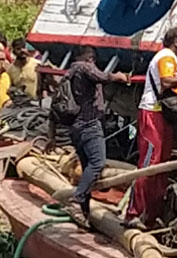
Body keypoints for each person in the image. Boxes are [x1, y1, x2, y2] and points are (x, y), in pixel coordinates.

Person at [47, 46, 129, 226]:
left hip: (76, 129)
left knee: (87, 171)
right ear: (90, 58)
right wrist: (118, 76)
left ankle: (84, 215)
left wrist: (51, 136)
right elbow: (102, 77)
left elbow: (53, 108)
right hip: (90, 125)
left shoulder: (67, 76)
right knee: (97, 163)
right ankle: (77, 201)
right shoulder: (84, 66)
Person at [126, 26, 177, 228]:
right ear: (175, 41)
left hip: (163, 115)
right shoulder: (166, 57)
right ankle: (133, 214)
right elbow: (166, 82)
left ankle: (151, 215)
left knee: (162, 165)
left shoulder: (172, 60)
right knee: (149, 163)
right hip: (153, 113)